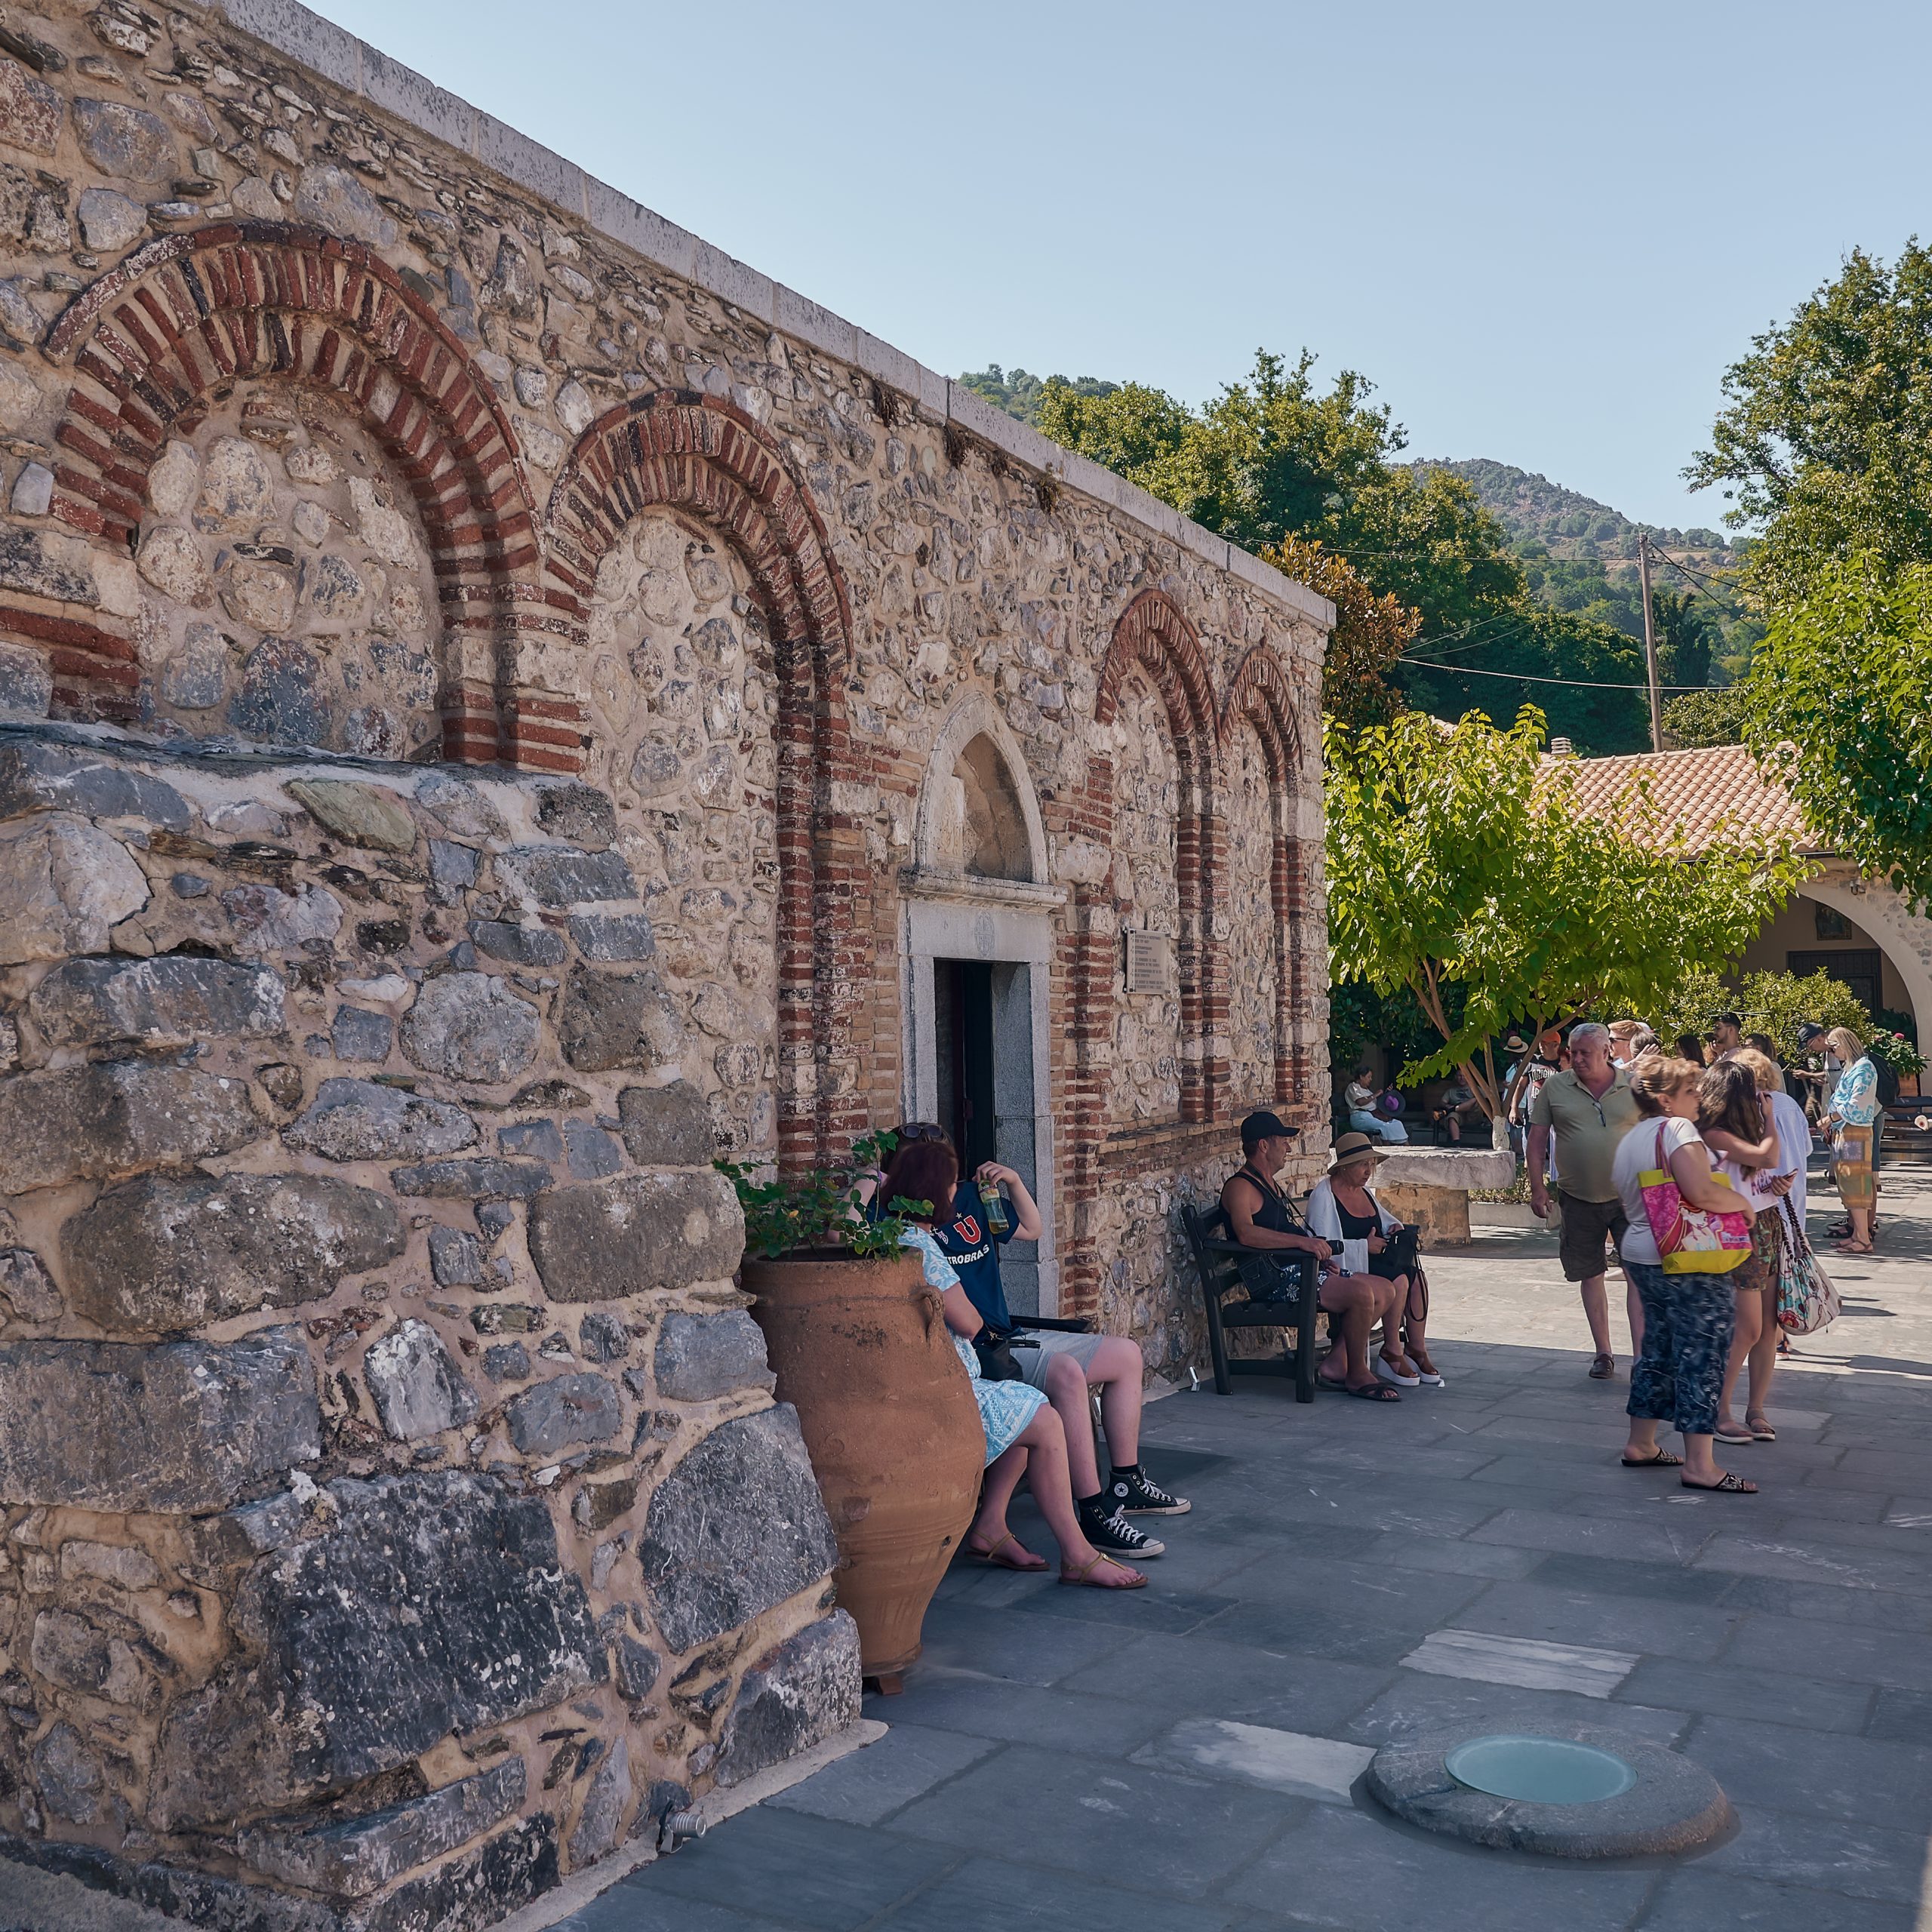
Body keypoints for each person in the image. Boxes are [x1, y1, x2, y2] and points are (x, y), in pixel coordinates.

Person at [861, 1127, 1183, 1560]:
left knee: (1126, 1354)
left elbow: (1033, 1230)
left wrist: (1012, 1180)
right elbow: (840, 1235)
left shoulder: (974, 1200)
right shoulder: (892, 1227)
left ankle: (1125, 1481)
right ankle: (1093, 1512)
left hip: (1008, 1335)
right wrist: (868, 1184)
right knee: (1062, 1378)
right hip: (980, 1348)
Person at [1614, 1057, 1760, 1494]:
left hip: (1641, 1252)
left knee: (1657, 1347)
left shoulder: (1631, 1138)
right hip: (1685, 1257)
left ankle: (1641, 1443)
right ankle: (1701, 1464)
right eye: (1690, 1091)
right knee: (1703, 1352)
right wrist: (1742, 1204)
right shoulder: (1677, 1129)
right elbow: (1700, 1191)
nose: (1698, 1097)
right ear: (1666, 1100)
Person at [1221, 1110, 1403, 1401]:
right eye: (1283, 1141)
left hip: (1299, 1269)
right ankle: (1356, 1373)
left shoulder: (1268, 1183)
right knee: (1360, 1293)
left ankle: (1335, 1362)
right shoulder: (1240, 1186)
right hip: (1276, 1278)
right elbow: (1246, 1234)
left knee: (1385, 1289)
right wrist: (1303, 1244)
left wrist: (1316, 1253)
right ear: (1264, 1145)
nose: (1288, 1148)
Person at [1528, 1020, 1644, 1378]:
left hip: (1630, 1199)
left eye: (1584, 1053)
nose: (1576, 1059)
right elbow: (1536, 1140)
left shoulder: (1634, 1086)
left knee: (1636, 1274)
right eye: (1572, 1052)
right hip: (1578, 1198)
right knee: (1589, 1274)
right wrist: (1537, 1187)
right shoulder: (1555, 1087)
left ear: (1607, 1051)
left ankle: (1642, 1358)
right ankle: (1603, 1353)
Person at [1712, 1048, 1806, 1444]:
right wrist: (1768, 1119)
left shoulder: (1748, 1129)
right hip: (1738, 1230)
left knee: (1768, 1327)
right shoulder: (1717, 1131)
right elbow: (1769, 1155)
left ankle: (1756, 1409)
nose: (1761, 1096)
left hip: (1766, 1223)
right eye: (1753, 1091)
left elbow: (1760, 1172)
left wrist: (1774, 1187)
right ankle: (1720, 1409)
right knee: (1748, 1328)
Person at [1306, 1131, 1441, 1386]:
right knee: (1399, 1280)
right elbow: (1323, 1246)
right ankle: (1393, 1350)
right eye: (1362, 1164)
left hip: (1371, 1262)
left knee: (1418, 1278)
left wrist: (1395, 1229)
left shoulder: (1365, 1193)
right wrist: (1363, 1246)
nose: (1368, 1171)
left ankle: (1417, 1348)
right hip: (1347, 1267)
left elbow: (1386, 1220)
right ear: (1344, 1167)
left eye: (1371, 1164)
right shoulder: (1324, 1197)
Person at [1823, 1026, 1881, 1255]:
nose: (1833, 1052)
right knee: (1848, 1181)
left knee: (1855, 1181)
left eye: (1834, 1047)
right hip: (1846, 1130)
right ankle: (1858, 1234)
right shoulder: (1853, 1068)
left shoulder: (1864, 1068)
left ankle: (1863, 1239)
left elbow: (1856, 1101)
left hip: (1855, 1131)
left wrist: (1830, 1118)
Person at [1344, 1067, 1408, 1143]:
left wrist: (1385, 1093)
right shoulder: (1353, 1087)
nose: (1371, 1079)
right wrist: (1376, 1094)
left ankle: (1407, 1147)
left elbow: (1374, 1103)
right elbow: (1360, 1102)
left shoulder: (1367, 1090)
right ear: (1361, 1077)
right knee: (1384, 1126)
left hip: (1371, 1116)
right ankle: (1387, 1151)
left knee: (1397, 1123)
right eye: (1369, 1077)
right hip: (1360, 1117)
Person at [1427, 1078, 1486, 1144]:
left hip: (1473, 1116)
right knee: (1452, 1117)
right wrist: (1447, 1106)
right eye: (1459, 1076)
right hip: (1459, 1116)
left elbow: (1486, 1101)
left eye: (1464, 1076)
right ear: (1456, 1077)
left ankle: (1450, 1110)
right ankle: (1456, 1143)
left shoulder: (1476, 1089)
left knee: (1476, 1099)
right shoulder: (1451, 1091)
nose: (1461, 1078)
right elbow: (1442, 1102)